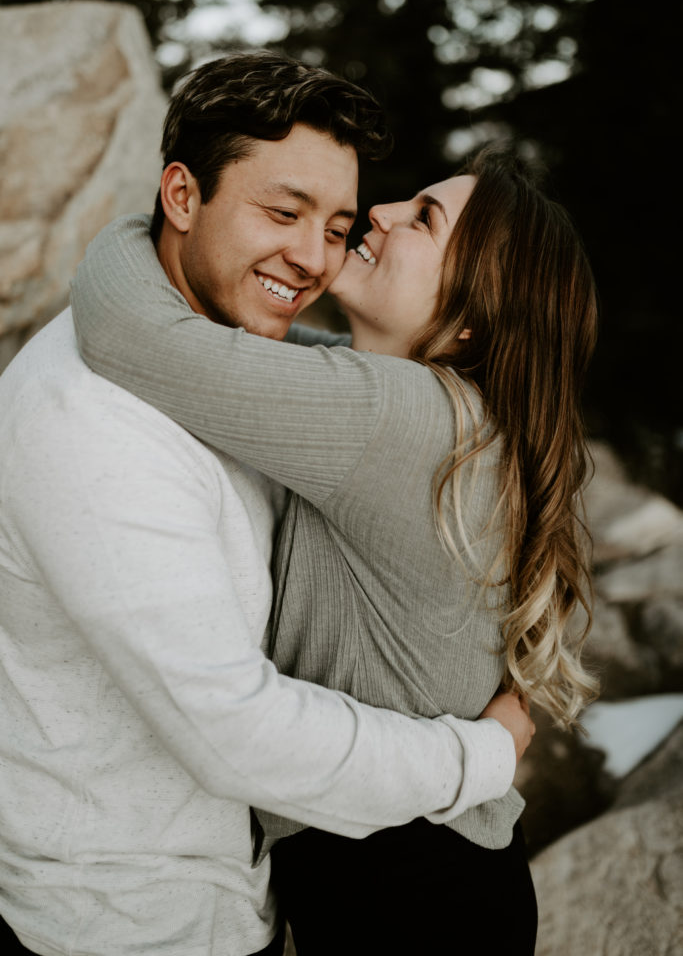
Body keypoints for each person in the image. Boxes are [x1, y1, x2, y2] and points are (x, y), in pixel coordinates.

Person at [0, 53, 534, 956]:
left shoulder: (287, 375)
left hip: (254, 894)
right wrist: (478, 756)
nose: (315, 255)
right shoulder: (93, 423)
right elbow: (236, 731)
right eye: (281, 213)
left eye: (333, 224)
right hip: (124, 921)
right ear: (180, 195)